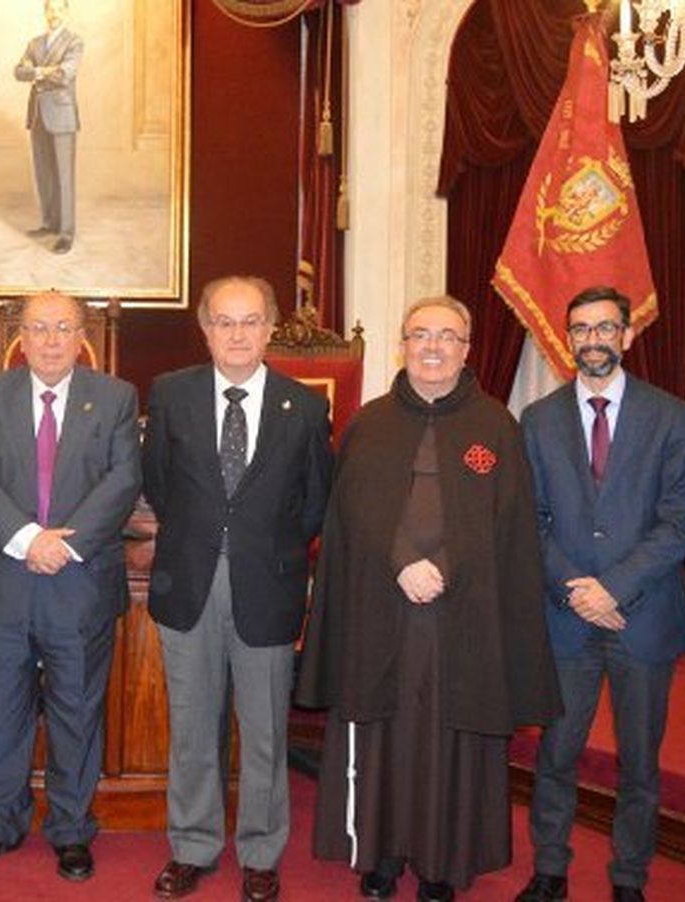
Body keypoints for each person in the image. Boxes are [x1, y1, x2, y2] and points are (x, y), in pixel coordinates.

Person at [296, 296, 560, 902]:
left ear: (467, 349)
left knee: (450, 737)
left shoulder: (496, 425)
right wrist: (400, 563)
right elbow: (352, 518)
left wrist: (440, 566)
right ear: (403, 343)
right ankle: (383, 855)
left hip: (463, 614)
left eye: (447, 336)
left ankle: (443, 861)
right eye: (420, 335)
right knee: (385, 733)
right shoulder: (369, 423)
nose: (433, 347)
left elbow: (508, 523)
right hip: (381, 610)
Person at [141, 276, 332, 902]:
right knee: (192, 726)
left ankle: (260, 851)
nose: (237, 334)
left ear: (271, 328)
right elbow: (161, 486)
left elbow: (313, 505)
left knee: (266, 731)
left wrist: (263, 550)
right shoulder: (170, 395)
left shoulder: (303, 408)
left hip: (266, 588)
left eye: (250, 321)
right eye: (224, 321)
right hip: (188, 582)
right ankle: (192, 846)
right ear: (205, 328)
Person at [517, 286, 685, 902]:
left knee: (640, 765)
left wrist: (613, 588)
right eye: (581, 330)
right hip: (566, 620)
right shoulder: (538, 421)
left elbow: (678, 523)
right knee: (557, 755)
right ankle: (550, 871)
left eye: (605, 328)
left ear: (626, 333)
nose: (592, 340)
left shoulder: (672, 416)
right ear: (567, 338)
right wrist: (578, 592)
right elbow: (530, 520)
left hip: (640, 619)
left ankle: (629, 878)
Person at [0, 291, 140, 881]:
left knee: (77, 712)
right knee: (0, 713)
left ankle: (70, 829)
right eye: (39, 328)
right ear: (22, 336)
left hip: (79, 581)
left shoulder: (114, 397)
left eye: (63, 328)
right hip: (8, 578)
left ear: (81, 335)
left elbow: (123, 479)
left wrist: (65, 543)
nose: (52, 340)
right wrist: (28, 537)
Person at [14, 0, 82, 255]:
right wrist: (44, 71)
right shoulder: (34, 43)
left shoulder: (75, 42)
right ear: (45, 13)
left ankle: (66, 233)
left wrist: (36, 71)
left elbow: (66, 73)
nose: (53, 14)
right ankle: (49, 223)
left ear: (66, 12)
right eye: (49, 10)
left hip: (63, 116)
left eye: (58, 10)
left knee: (64, 176)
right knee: (44, 173)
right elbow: (18, 72)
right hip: (37, 115)